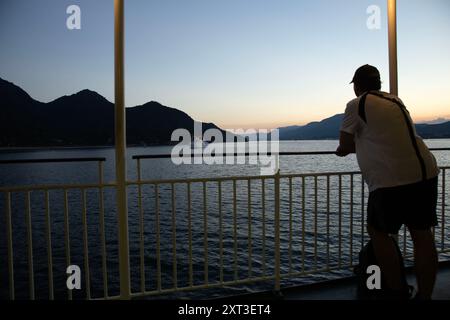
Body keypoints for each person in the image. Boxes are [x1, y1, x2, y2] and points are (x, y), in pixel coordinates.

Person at [336, 64, 440, 299]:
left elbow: (345, 145)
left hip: (391, 178)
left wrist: (345, 149)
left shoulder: (357, 104)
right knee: (422, 235)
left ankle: (397, 290)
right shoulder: (396, 101)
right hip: (426, 173)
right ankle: (425, 296)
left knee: (378, 231)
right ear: (379, 84)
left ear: (358, 86)